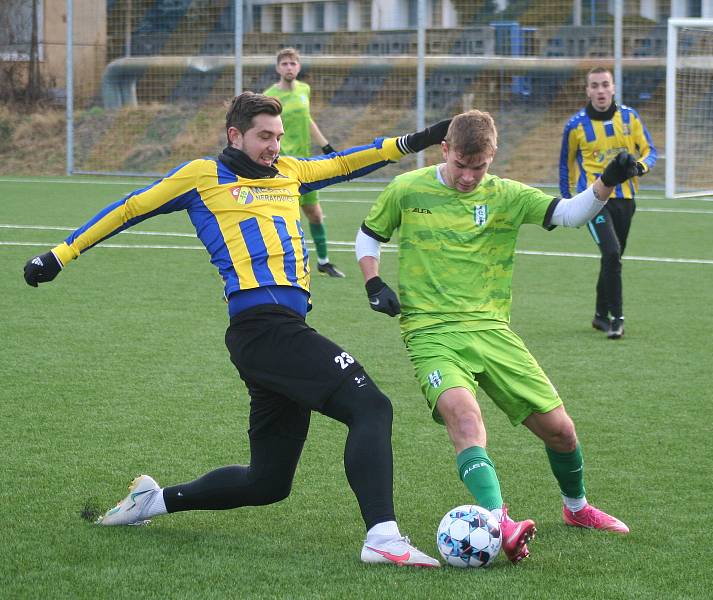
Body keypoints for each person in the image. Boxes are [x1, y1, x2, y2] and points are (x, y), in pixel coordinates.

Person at [23, 91, 451, 568]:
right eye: (264, 136)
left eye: (278, 136)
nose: (274, 145)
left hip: (279, 334)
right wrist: (61, 254)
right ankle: (383, 537)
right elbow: (130, 208)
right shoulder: (202, 176)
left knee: (267, 483)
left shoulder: (291, 172)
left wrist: (425, 138)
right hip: (261, 329)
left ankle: (153, 501)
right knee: (370, 405)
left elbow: (354, 159)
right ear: (235, 135)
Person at [355, 110, 636, 564]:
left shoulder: (506, 194)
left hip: (492, 330)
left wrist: (605, 182)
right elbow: (369, 237)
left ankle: (577, 508)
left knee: (561, 432)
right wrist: (373, 282)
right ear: (444, 149)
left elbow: (569, 213)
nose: (468, 177)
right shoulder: (407, 189)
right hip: (430, 331)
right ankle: (497, 521)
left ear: (492, 157)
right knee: (465, 420)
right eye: (461, 165)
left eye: (478, 167)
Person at [559, 66, 657, 339]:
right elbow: (565, 165)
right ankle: (617, 319)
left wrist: (639, 167)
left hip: (625, 200)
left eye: (605, 84)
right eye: (595, 85)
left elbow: (650, 151)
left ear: (613, 88)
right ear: (587, 90)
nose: (600, 90)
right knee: (612, 253)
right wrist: (568, 204)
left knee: (612, 258)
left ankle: (600, 315)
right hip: (593, 201)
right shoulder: (575, 125)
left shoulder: (630, 117)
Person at [264, 47, 344, 278]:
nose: (289, 67)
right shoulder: (270, 96)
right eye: (285, 64)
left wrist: (326, 145)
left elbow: (307, 119)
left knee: (315, 215)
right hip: (281, 164)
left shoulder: (304, 90)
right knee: (277, 218)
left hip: (305, 164)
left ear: (298, 67)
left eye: (293, 63)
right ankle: (259, 269)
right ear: (278, 68)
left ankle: (324, 262)